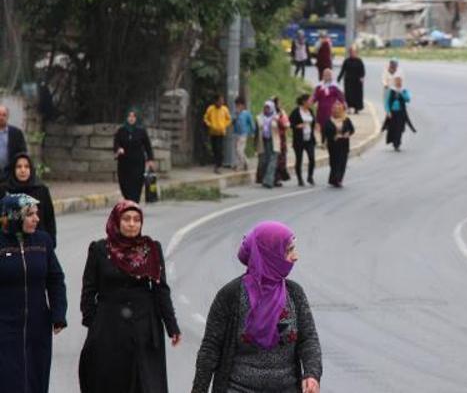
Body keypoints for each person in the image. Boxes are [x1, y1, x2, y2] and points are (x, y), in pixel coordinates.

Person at [191, 221, 322, 393]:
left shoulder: (295, 294)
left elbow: (308, 339)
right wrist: (198, 389)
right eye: (289, 250)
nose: (295, 256)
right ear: (270, 254)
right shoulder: (231, 295)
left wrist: (311, 374)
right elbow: (210, 348)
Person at [79, 200, 181, 393]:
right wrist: (93, 323)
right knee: (111, 380)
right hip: (109, 328)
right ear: (117, 222)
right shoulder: (100, 250)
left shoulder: (151, 249)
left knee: (145, 381)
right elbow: (88, 290)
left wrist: (171, 325)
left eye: (136, 219)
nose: (132, 224)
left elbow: (161, 289)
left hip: (144, 326)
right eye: (126, 219)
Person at [0, 193, 67, 393]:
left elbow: (55, 279)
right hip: (5, 326)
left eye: (36, 214)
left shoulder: (43, 241)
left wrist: (58, 314)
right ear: (13, 216)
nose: (36, 219)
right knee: (9, 380)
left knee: (36, 378)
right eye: (29, 214)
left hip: (38, 326)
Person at [3, 153, 57, 245]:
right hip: (10, 243)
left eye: (26, 167)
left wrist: (51, 243)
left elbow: (49, 218)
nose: (23, 170)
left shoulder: (41, 190)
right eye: (19, 167)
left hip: (38, 243)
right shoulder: (4, 190)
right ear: (13, 169)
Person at [114, 107, 155, 203]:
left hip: (138, 162)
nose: (131, 118)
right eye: (129, 116)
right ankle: (128, 199)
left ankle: (134, 202)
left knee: (136, 183)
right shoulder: (121, 130)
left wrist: (150, 159)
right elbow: (116, 143)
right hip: (124, 162)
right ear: (126, 118)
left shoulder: (141, 131)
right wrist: (118, 149)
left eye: (133, 116)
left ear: (136, 118)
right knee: (124, 183)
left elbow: (147, 146)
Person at [323, 102, 355, 188]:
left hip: (344, 143)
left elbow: (352, 129)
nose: (336, 111)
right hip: (333, 144)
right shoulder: (329, 120)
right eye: (335, 109)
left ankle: (338, 179)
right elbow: (325, 131)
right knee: (334, 162)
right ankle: (333, 179)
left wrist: (348, 133)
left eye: (338, 109)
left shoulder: (346, 119)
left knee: (342, 162)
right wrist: (333, 136)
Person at [311, 69, 345, 145]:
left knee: (330, 126)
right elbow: (315, 96)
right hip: (321, 110)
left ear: (331, 76)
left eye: (328, 75)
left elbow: (340, 96)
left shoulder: (334, 86)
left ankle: (330, 141)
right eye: (325, 75)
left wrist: (343, 104)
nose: (326, 76)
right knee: (322, 126)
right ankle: (323, 141)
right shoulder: (319, 86)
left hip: (331, 110)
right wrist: (311, 101)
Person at [289, 94, 316, 187]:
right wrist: (297, 126)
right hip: (299, 140)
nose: (311, 102)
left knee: (312, 158)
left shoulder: (310, 111)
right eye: (309, 101)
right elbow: (289, 122)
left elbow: (313, 121)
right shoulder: (296, 112)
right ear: (304, 102)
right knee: (299, 160)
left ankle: (310, 176)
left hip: (309, 139)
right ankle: (300, 179)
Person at [384, 76, 417, 152]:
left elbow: (408, 99)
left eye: (399, 82)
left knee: (399, 128)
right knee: (393, 128)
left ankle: (397, 144)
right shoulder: (391, 91)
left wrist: (401, 93)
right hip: (393, 113)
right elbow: (387, 102)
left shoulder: (404, 90)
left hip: (401, 113)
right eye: (396, 82)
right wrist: (388, 111)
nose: (398, 83)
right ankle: (394, 141)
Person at [204, 94, 232, 174]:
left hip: (221, 132)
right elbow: (206, 118)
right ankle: (216, 164)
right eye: (220, 101)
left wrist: (224, 125)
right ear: (216, 101)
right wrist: (209, 124)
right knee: (214, 149)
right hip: (213, 132)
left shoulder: (224, 109)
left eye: (222, 101)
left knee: (219, 148)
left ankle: (218, 165)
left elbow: (228, 119)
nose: (221, 102)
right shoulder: (210, 109)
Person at [255, 101, 281, 189]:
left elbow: (284, 126)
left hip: (273, 141)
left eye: (268, 107)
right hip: (263, 141)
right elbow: (256, 131)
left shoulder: (277, 117)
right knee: (264, 161)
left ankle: (269, 181)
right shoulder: (259, 117)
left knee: (272, 161)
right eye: (265, 107)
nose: (266, 109)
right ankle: (263, 179)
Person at [0, 104, 28, 179]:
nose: (1, 117)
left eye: (4, 115)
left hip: (10, 173)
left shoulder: (16, 133)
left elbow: (23, 152)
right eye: (0, 115)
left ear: (8, 117)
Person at [337, 46, 366, 114]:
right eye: (351, 52)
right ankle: (349, 108)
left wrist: (362, 77)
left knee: (357, 95)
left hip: (357, 81)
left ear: (356, 53)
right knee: (348, 95)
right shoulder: (347, 61)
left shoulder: (359, 61)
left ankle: (357, 109)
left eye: (354, 52)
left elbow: (362, 70)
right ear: (349, 53)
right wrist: (339, 78)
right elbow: (343, 70)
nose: (353, 54)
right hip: (348, 80)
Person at [233, 97, 255, 171]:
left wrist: (253, 132)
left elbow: (252, 123)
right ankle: (245, 162)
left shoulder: (246, 113)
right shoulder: (236, 113)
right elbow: (233, 122)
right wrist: (235, 116)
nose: (237, 107)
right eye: (236, 105)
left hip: (243, 134)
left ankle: (241, 165)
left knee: (240, 150)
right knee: (237, 150)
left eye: (238, 105)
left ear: (243, 105)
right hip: (236, 133)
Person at [274, 97, 292, 186]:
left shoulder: (282, 113)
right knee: (276, 158)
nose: (279, 105)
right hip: (275, 138)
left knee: (281, 158)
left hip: (281, 138)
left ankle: (279, 178)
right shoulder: (272, 114)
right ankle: (276, 178)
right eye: (278, 103)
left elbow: (287, 124)